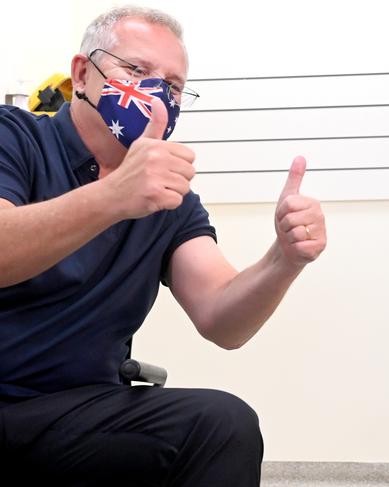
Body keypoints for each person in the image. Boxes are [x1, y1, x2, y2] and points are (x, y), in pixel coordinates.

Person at [0, 5, 326, 486]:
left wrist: (283, 259)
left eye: (173, 86)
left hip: (79, 414)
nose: (156, 94)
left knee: (223, 423)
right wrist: (114, 196)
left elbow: (223, 319)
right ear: (83, 72)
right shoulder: (15, 137)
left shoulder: (169, 200)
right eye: (136, 70)